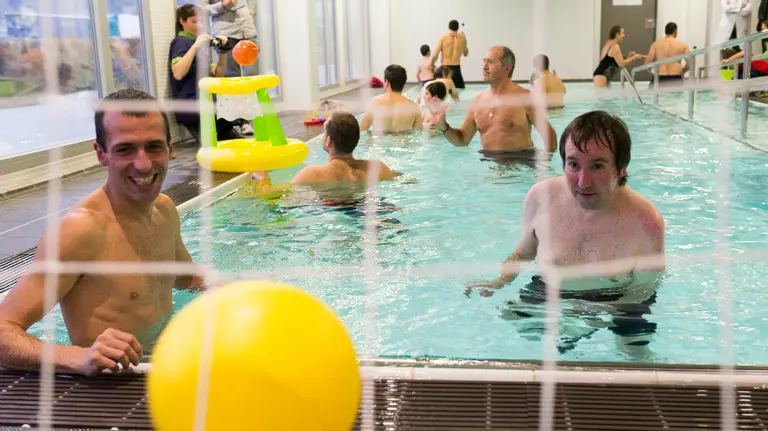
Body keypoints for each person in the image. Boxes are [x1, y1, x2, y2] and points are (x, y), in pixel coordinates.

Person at [0, 89, 208, 376]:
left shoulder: (164, 209)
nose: (143, 163)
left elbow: (189, 277)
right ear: (101, 154)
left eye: (154, 147)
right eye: (125, 149)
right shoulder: (79, 232)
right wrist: (79, 358)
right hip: (110, 385)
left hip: (162, 366)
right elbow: (3, 331)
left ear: (170, 148)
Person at [465, 110, 665, 352]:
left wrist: (595, 314)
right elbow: (523, 254)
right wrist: (498, 282)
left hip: (615, 300)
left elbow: (644, 289)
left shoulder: (646, 220)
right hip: (549, 289)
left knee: (635, 353)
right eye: (573, 165)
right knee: (507, 340)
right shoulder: (540, 198)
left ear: (621, 168)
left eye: (598, 166)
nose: (583, 181)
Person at [430, 46, 557, 159]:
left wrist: (546, 163)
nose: (484, 67)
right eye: (484, 61)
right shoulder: (478, 102)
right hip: (490, 164)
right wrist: (443, 126)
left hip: (522, 162)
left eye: (490, 62)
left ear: (507, 68)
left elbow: (549, 135)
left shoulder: (524, 98)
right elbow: (462, 140)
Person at [251, 112, 399, 193]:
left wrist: (262, 179)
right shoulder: (378, 168)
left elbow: (272, 195)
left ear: (328, 141)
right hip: (376, 211)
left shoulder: (312, 174)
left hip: (341, 215)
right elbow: (402, 179)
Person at [169, 4, 240, 145]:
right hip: (191, 105)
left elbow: (217, 74)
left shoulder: (198, 44)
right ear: (182, 21)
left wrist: (223, 52)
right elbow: (178, 73)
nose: (199, 25)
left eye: (201, 21)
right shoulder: (180, 42)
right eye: (194, 21)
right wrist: (195, 46)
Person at [359, 65, 422, 134]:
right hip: (403, 144)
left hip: (381, 143)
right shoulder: (414, 107)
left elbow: (361, 130)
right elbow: (419, 132)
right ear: (403, 83)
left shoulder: (374, 103)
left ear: (387, 83)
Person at [208, 0, 258, 77]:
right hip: (225, 34)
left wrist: (251, 11)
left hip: (247, 30)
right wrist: (223, 5)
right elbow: (199, 10)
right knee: (232, 77)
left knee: (253, 75)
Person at [645, 22, 691, 86]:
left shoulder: (656, 44)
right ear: (675, 31)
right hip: (676, 77)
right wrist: (683, 71)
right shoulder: (683, 45)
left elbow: (648, 62)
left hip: (659, 77)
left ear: (665, 31)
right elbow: (690, 63)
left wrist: (653, 74)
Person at [432, 20, 469, 89]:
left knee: (443, 92)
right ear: (457, 28)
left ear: (448, 27)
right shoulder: (462, 39)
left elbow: (435, 54)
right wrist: (465, 41)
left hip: (445, 70)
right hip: (456, 68)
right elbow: (465, 54)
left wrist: (432, 64)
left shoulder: (443, 38)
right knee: (458, 92)